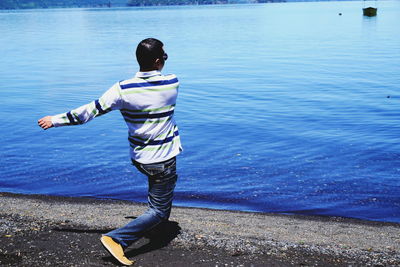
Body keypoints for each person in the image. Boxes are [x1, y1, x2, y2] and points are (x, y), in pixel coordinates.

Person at [38, 38, 182, 266]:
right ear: (157, 61)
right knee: (160, 211)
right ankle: (117, 239)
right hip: (162, 159)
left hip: (139, 158)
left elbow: (88, 112)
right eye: (164, 57)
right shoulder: (172, 82)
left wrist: (55, 120)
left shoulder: (122, 89)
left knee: (156, 191)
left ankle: (146, 223)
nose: (166, 60)